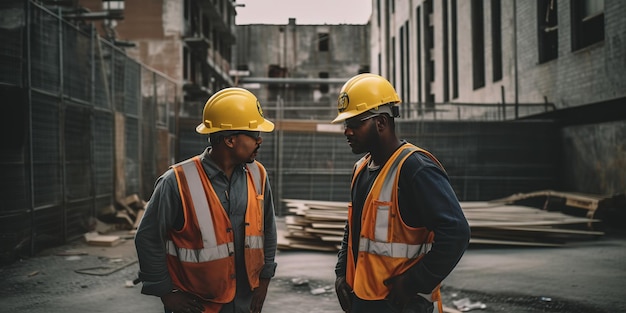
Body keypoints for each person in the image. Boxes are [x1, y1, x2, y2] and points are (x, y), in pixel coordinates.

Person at [331, 73, 471, 313]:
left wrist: (412, 283)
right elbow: (353, 227)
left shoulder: (415, 168)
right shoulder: (361, 170)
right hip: (364, 300)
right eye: (346, 124)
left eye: (355, 123)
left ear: (381, 123)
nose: (347, 131)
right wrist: (341, 274)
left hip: (403, 305)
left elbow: (456, 233)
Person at [134, 87, 278, 313]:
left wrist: (265, 280)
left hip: (244, 300)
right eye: (253, 135)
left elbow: (267, 230)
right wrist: (166, 293)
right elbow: (148, 238)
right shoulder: (176, 181)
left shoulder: (258, 174)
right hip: (197, 305)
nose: (259, 140)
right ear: (230, 140)